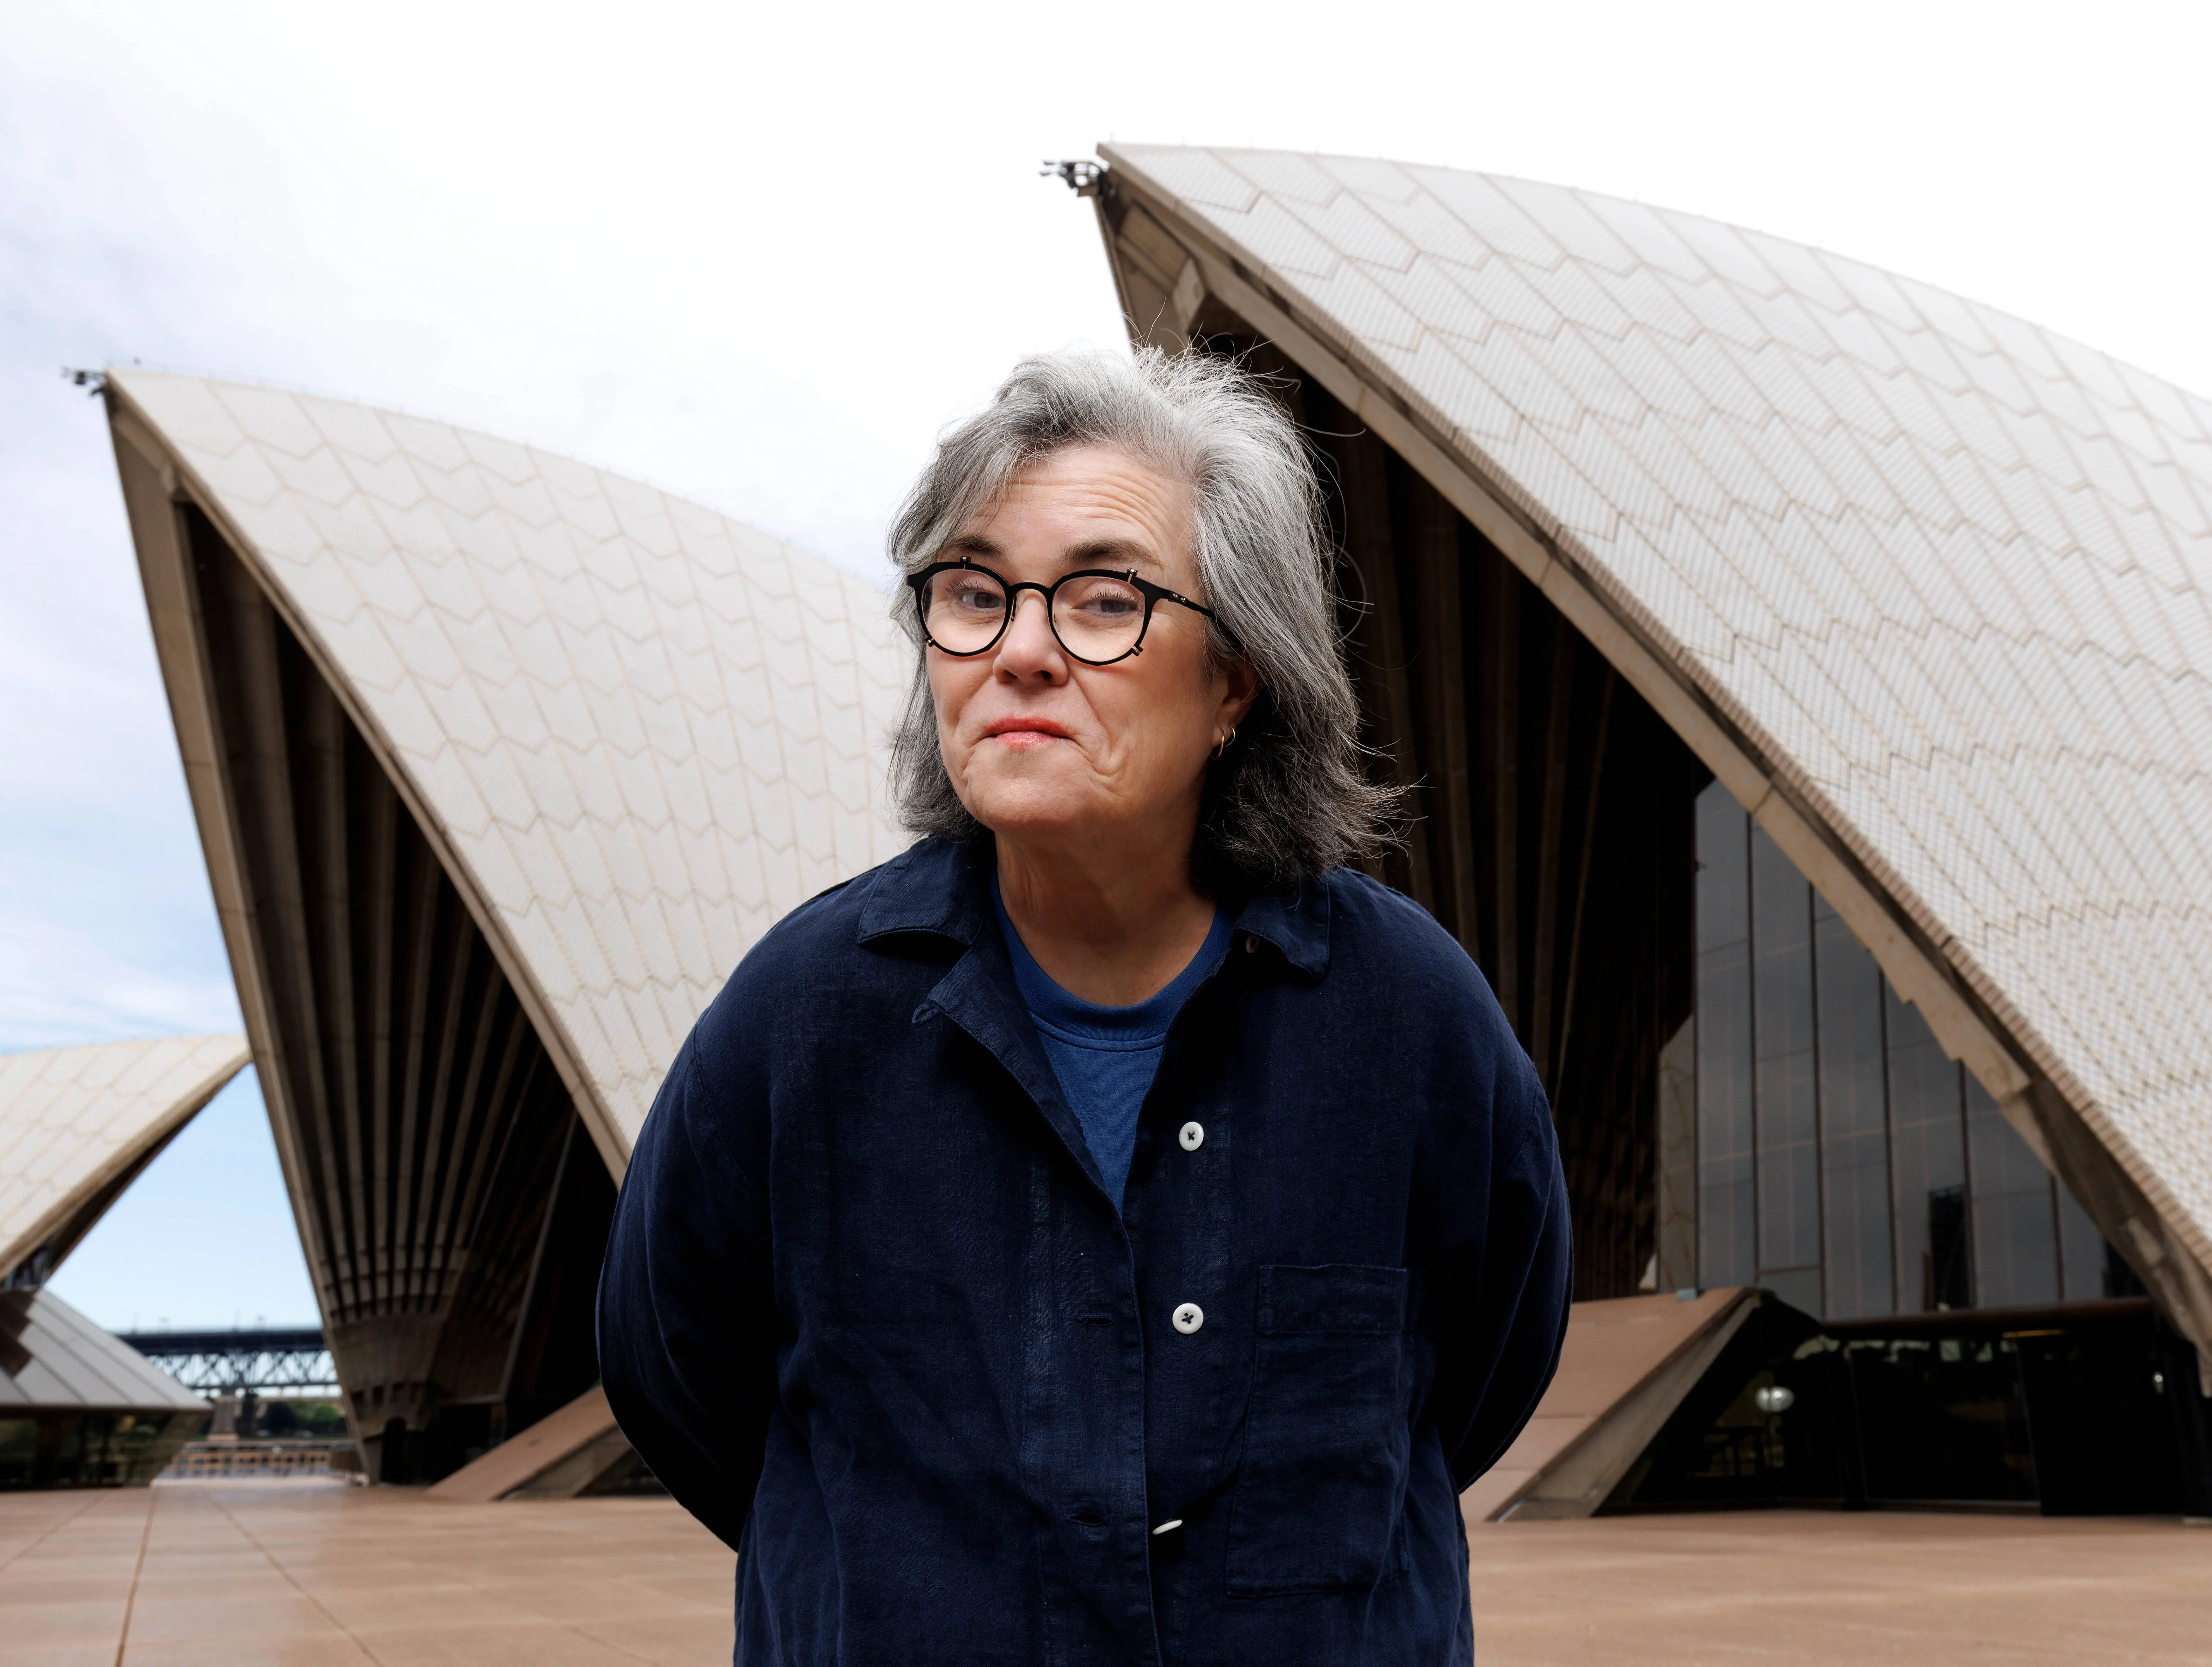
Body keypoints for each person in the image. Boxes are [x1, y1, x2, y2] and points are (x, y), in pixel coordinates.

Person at [598, 349, 1570, 1664]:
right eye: (974, 594)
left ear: (1234, 680)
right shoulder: (804, 1013)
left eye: (1103, 601)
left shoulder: (1406, 1016)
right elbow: (676, 1373)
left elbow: (1487, 1362)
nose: (1021, 652)